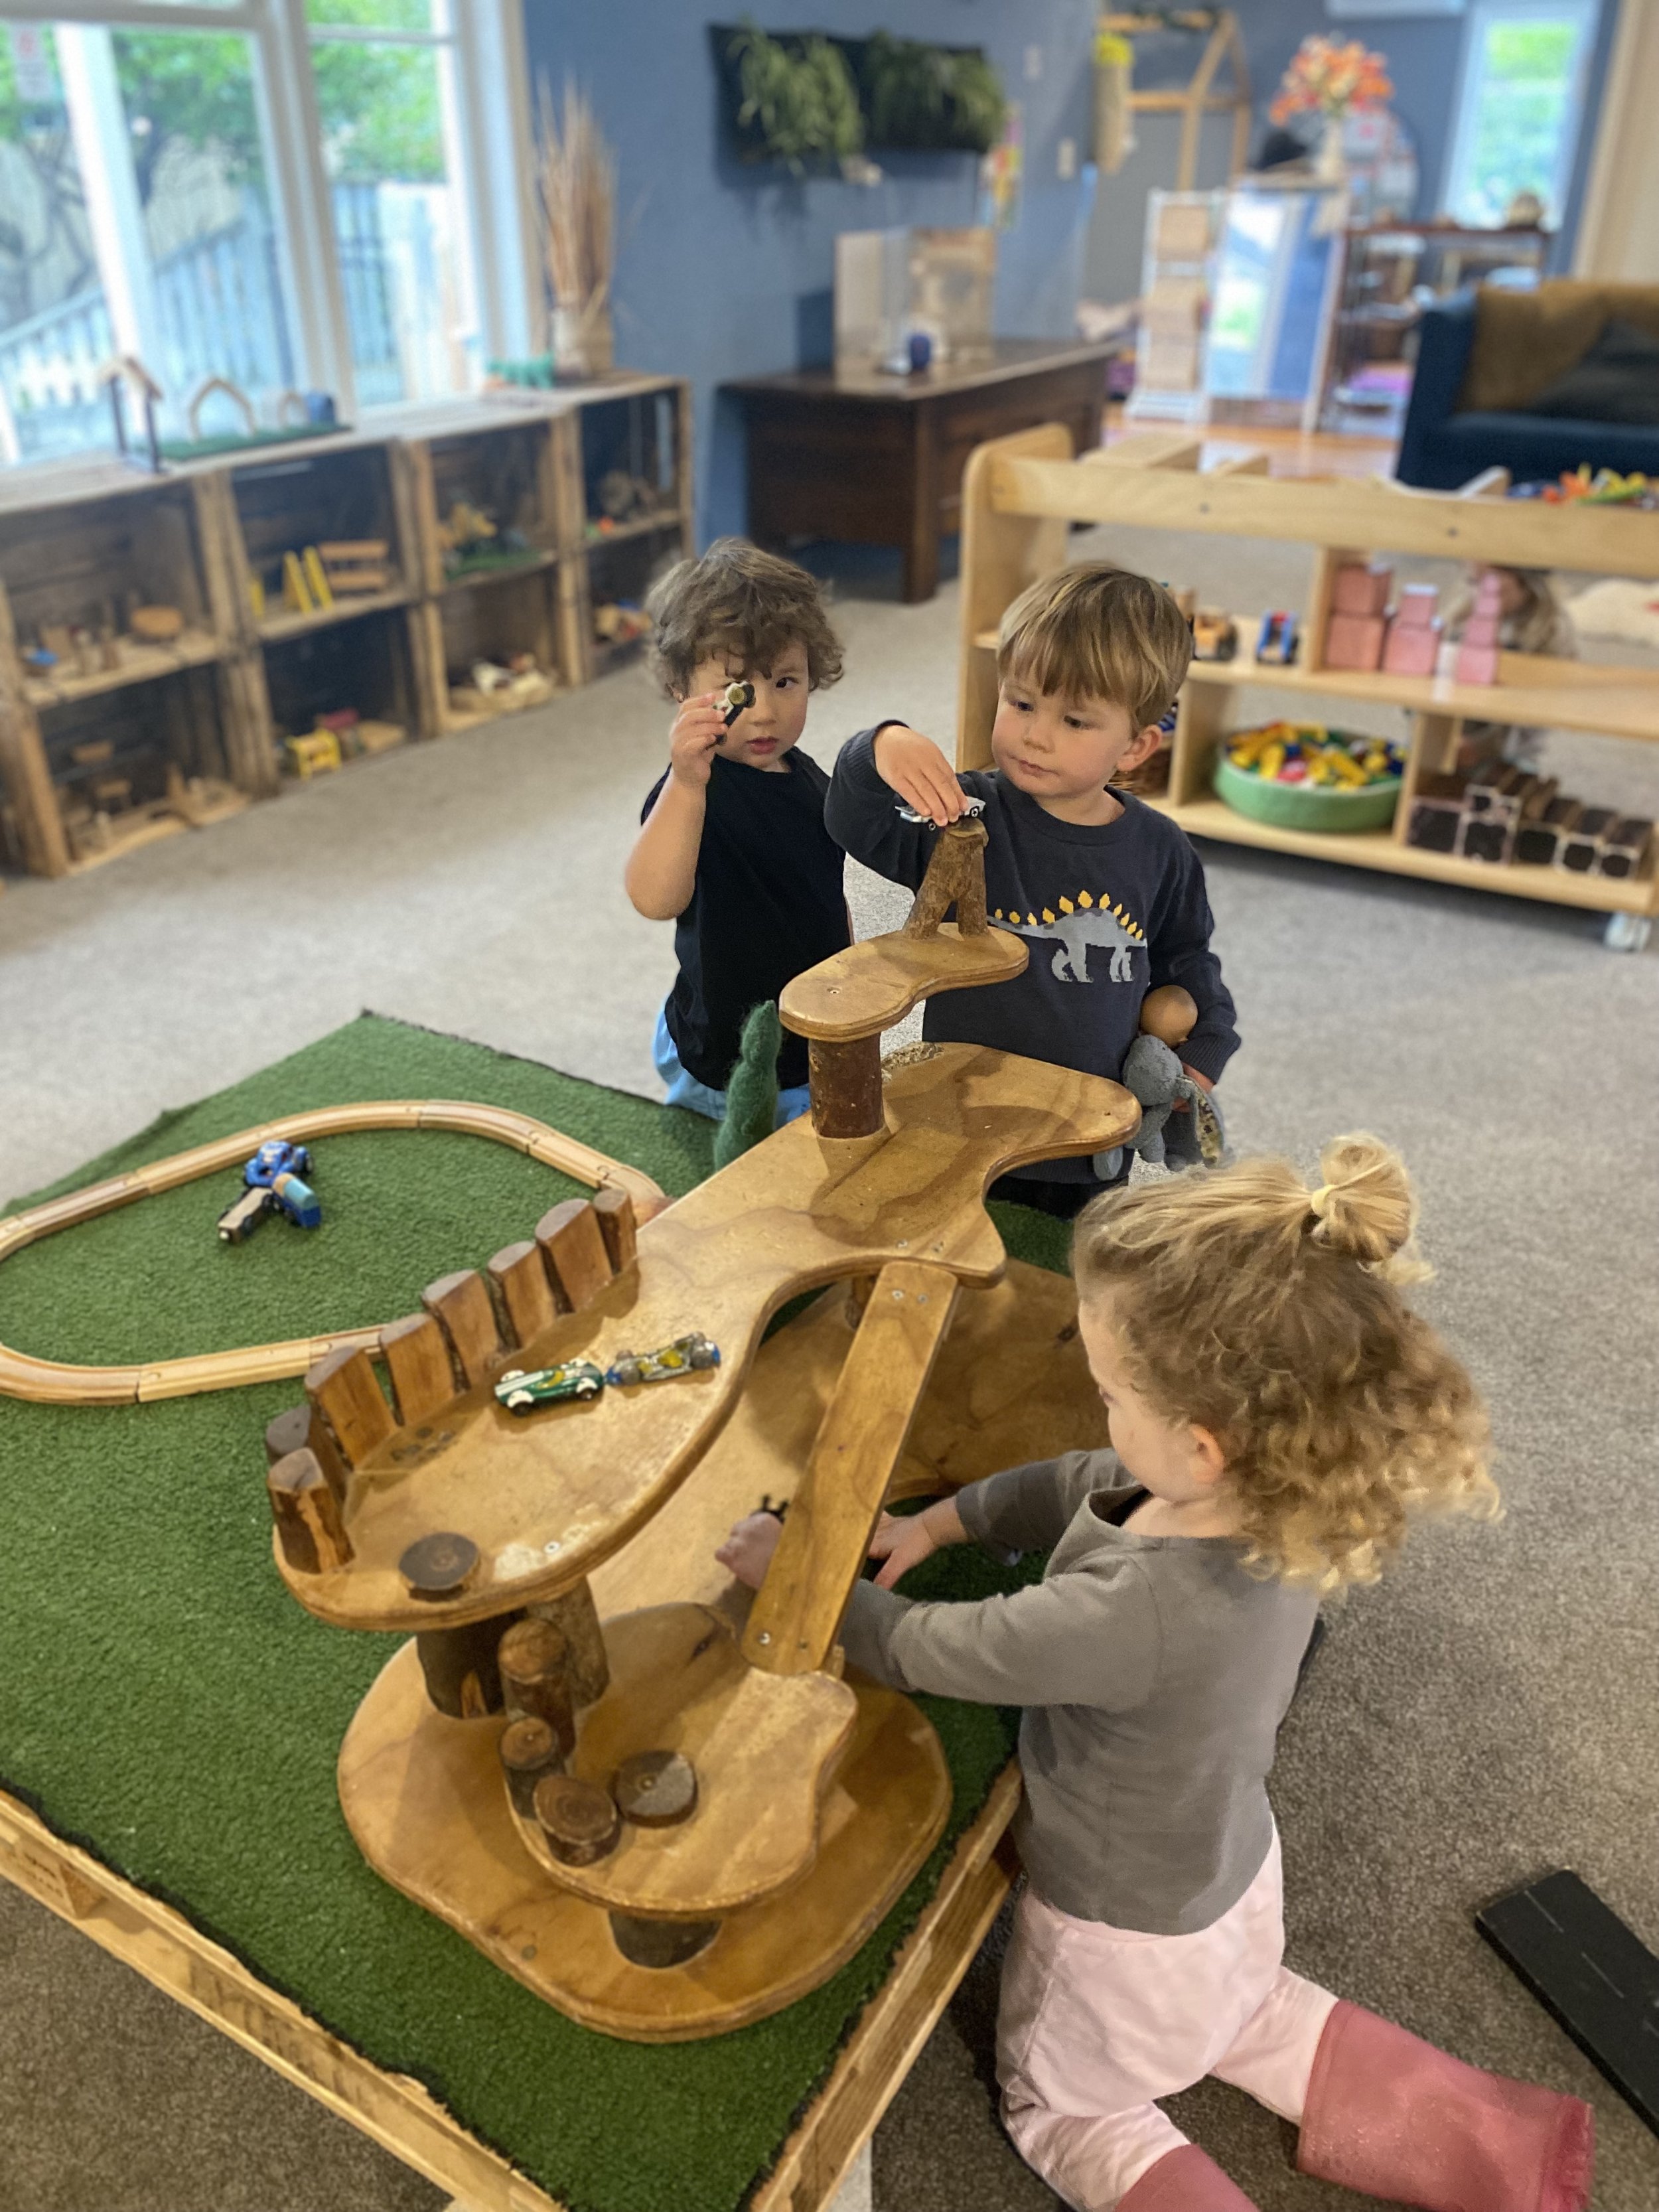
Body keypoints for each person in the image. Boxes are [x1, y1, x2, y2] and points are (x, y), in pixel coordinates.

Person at [716, 1136, 1593, 2212]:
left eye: (1109, 1390)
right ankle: (1497, 2147)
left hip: (1116, 1931)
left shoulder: (1132, 1612)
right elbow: (1082, 1479)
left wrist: (795, 1573)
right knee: (1246, 2006)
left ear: (1201, 1444)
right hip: (1232, 1878)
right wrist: (941, 1519)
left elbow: (938, 1648)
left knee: (1064, 2107)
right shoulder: (1279, 1504)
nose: (1099, 1412)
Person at [825, 563, 1237, 1217]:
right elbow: (853, 821)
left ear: (1135, 745)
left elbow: (1190, 965)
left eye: (1074, 720)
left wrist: (1201, 1059)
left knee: (1056, 1281)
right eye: (1020, 703)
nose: (1035, 734)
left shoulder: (1162, 851)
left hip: (1085, 1137)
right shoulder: (963, 817)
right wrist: (876, 748)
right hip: (958, 1116)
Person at [626, 538, 849, 1126]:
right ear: (680, 685)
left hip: (808, 1040)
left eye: (786, 682)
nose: (766, 712)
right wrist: (687, 785)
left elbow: (826, 891)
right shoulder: (693, 790)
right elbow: (654, 897)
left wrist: (849, 981)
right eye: (738, 690)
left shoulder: (811, 781)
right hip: (724, 1054)